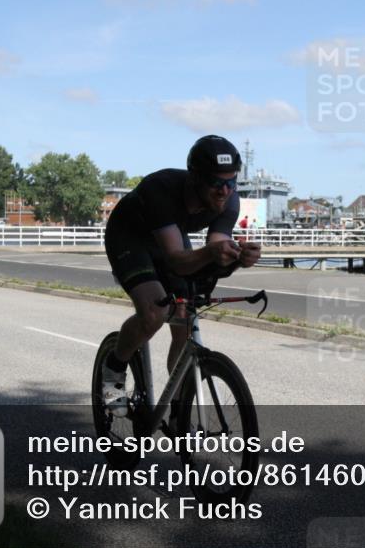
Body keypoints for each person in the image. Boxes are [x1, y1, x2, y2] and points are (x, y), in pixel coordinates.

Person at [101, 135, 261, 416]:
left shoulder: (229, 202)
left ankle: (178, 402)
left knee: (184, 317)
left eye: (231, 182)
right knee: (154, 311)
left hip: (171, 239)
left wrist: (237, 258)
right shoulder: (160, 189)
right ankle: (113, 368)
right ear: (196, 178)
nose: (224, 190)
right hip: (130, 237)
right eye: (216, 182)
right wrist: (213, 253)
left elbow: (215, 252)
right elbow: (177, 260)